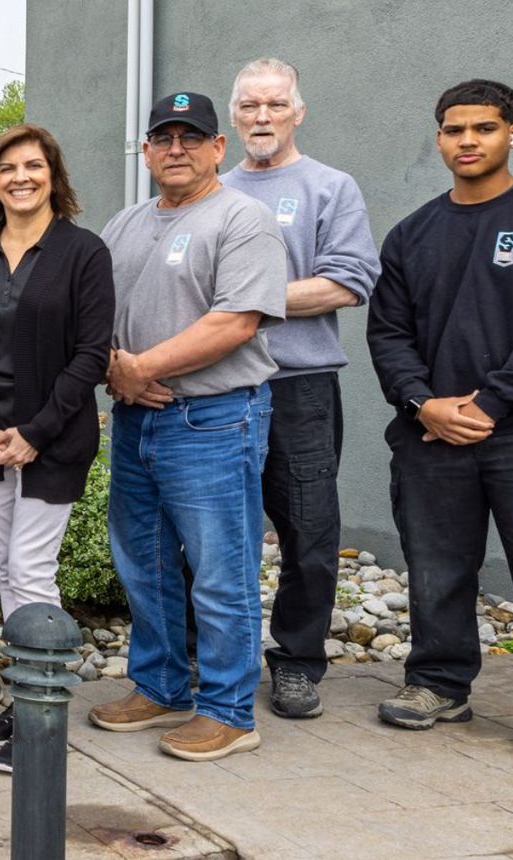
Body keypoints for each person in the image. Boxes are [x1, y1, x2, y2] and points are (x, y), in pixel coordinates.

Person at [368, 79, 513, 764]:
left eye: (485, 128)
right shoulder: (413, 234)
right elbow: (388, 334)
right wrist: (423, 403)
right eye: (454, 129)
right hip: (433, 432)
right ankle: (439, 683)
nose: (468, 141)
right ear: (439, 138)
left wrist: (489, 404)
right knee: (436, 565)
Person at [91, 91, 286, 762]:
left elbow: (236, 321)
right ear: (146, 151)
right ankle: (161, 685)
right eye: (164, 138)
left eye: (192, 137)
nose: (177, 149)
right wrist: (115, 367)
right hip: (136, 419)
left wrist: (139, 367)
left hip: (214, 420)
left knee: (221, 569)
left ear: (218, 147)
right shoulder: (124, 224)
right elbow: (91, 313)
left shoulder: (243, 218)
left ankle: (230, 711)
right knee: (142, 564)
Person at [0, 125, 113, 772]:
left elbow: (91, 354)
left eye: (33, 166)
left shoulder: (84, 252)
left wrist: (35, 433)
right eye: (8, 167)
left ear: (53, 175)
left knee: (31, 568)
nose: (21, 177)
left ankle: (43, 719)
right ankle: (26, 700)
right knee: (9, 570)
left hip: (54, 439)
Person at [218, 58, 381, 720]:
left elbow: (346, 282)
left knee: (309, 532)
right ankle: (212, 656)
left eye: (276, 105)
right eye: (250, 106)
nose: (262, 117)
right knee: (211, 531)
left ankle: (296, 661)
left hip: (299, 387)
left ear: (298, 113)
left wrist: (241, 302)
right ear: (233, 117)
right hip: (217, 387)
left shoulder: (329, 188)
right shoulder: (211, 188)